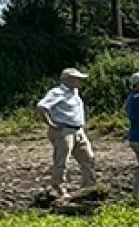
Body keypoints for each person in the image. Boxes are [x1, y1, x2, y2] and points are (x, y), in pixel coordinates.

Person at [37, 68, 96, 200]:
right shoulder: (57, 92)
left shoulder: (75, 92)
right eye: (78, 79)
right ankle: (59, 189)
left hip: (78, 130)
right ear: (68, 80)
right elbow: (42, 107)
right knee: (62, 161)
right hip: (63, 131)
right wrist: (50, 124)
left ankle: (89, 187)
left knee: (89, 158)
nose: (81, 81)